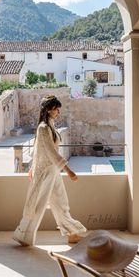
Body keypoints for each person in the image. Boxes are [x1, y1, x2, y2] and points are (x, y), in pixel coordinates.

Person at [13, 95, 87, 247]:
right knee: (37, 205)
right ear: (48, 110)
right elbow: (49, 152)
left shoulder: (50, 126)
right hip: (46, 171)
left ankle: (72, 234)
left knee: (61, 203)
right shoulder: (43, 128)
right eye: (56, 109)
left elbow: (41, 150)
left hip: (53, 171)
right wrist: (68, 170)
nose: (58, 112)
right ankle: (23, 235)